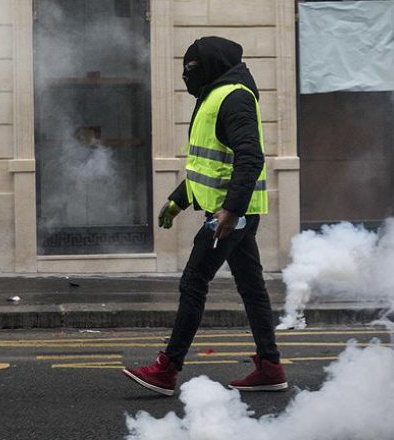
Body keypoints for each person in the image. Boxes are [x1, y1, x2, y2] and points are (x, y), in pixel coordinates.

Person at [122, 36, 286, 396]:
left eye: (192, 68)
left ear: (211, 65)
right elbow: (205, 164)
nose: (186, 76)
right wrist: (178, 201)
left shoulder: (234, 96)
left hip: (229, 215)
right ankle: (270, 366)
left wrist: (231, 210)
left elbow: (250, 157)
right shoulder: (215, 94)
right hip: (233, 212)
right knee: (252, 286)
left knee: (194, 282)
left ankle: (167, 369)